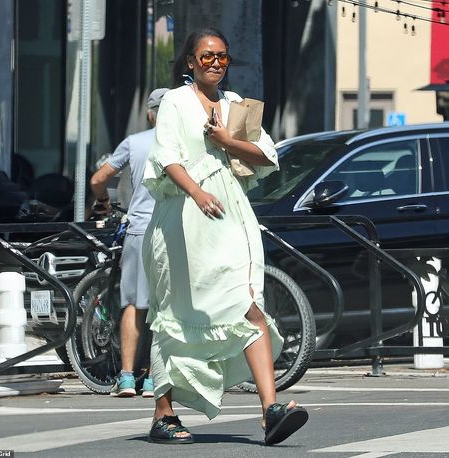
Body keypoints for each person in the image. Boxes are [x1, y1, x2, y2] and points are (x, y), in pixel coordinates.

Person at [142, 28, 308, 445]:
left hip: (230, 215)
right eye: (207, 56)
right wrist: (196, 193)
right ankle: (163, 414)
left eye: (223, 57)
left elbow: (267, 155)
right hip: (182, 218)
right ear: (191, 62)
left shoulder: (237, 105)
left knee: (248, 302)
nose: (215, 63)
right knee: (176, 313)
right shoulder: (175, 102)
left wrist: (226, 141)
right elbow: (166, 158)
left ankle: (271, 411)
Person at [90, 87, 169, 398]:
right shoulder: (185, 143)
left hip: (139, 229)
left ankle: (125, 378)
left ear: (150, 114)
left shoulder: (134, 143)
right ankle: (152, 378)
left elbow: (99, 179)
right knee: (163, 307)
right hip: (171, 230)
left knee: (134, 304)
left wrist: (103, 204)